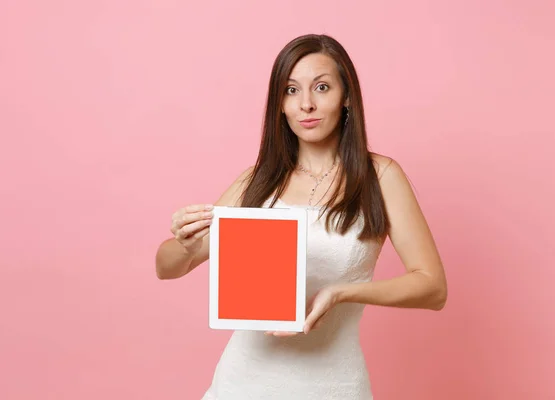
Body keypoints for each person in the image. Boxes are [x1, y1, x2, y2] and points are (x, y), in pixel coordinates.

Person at [155, 33, 448, 400]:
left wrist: (342, 293)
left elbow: (433, 288)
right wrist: (184, 242)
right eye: (291, 91)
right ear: (279, 104)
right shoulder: (256, 181)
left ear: (347, 98)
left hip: (335, 385)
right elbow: (167, 267)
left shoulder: (381, 177)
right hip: (241, 385)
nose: (306, 104)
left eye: (321, 87)